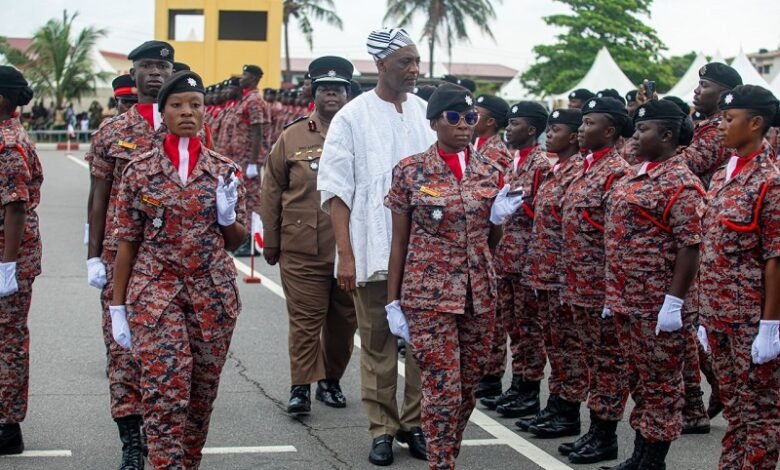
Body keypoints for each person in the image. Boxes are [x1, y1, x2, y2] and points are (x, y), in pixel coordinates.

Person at [111, 70, 247, 470]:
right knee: (164, 393)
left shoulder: (225, 170)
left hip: (212, 297)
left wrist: (226, 216)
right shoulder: (138, 171)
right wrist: (117, 307)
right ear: (162, 112)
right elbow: (127, 241)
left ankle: (187, 463)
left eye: (196, 105)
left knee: (201, 395)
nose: (188, 112)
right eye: (177, 105)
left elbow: (235, 240)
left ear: (205, 112)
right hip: (156, 296)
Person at [385, 82, 521, 470]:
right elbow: (399, 243)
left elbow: (491, 241)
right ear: (434, 122)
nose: (464, 125)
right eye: (454, 117)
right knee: (442, 388)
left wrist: (498, 219)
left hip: (478, 294)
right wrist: (393, 301)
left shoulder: (492, 170)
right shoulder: (410, 171)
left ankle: (448, 453)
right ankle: (441, 463)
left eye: (470, 118)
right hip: (428, 297)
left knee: (465, 390)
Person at [317, 27, 432, 466]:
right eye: (405, 62)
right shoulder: (352, 116)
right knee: (378, 343)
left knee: (422, 344)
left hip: (424, 255)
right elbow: (337, 192)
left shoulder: (425, 112)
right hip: (372, 249)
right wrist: (346, 254)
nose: (414, 69)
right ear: (380, 65)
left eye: (416, 61)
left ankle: (414, 424)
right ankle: (382, 429)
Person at [86, 40, 175, 470]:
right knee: (122, 353)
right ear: (133, 72)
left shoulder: (186, 122)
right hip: (119, 255)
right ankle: (132, 444)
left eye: (163, 65)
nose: (155, 72)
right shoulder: (111, 132)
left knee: (167, 356)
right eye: (147, 66)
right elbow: (97, 197)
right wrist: (91, 255)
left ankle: (162, 441)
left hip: (173, 259)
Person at [604, 99, 703, 469]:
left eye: (642, 129)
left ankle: (653, 460)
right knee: (640, 382)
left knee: (661, 386)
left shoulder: (681, 182)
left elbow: (690, 246)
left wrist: (673, 302)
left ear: (665, 135)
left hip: (656, 303)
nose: (634, 136)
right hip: (628, 300)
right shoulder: (636, 173)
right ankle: (641, 456)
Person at [261, 56, 357, 415]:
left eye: (338, 88)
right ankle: (300, 386)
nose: (331, 93)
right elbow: (272, 189)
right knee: (305, 319)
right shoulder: (293, 135)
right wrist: (271, 239)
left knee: (344, 322)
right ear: (313, 92)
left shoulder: (360, 133)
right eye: (324, 87)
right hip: (301, 247)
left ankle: (330, 382)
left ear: (349, 93)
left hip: (349, 248)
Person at [699, 84, 780, 470]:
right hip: (718, 314)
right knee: (735, 408)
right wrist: (703, 312)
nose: (721, 127)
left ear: (756, 123)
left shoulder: (771, 180)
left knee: (760, 413)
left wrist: (770, 326)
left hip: (751, 317)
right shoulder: (722, 175)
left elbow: (776, 259)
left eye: (729, 120)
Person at [559, 96, 632, 464]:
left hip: (602, 287)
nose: (582, 129)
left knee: (608, 362)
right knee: (592, 361)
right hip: (579, 285)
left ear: (611, 130)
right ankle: (594, 430)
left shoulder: (617, 173)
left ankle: (605, 434)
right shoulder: (586, 169)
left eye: (591, 123)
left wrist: (612, 289)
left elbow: (616, 238)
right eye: (582, 122)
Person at [481, 102, 551, 420]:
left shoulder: (540, 165)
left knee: (528, 327)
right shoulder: (516, 162)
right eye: (508, 123)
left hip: (526, 259)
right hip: (507, 257)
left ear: (532, 130)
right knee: (512, 326)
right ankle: (518, 385)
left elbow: (539, 217)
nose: (509, 128)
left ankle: (529, 389)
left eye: (516, 123)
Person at [520, 109, 587, 439]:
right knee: (555, 344)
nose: (549, 134)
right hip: (544, 273)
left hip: (563, 276)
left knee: (569, 346)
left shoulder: (577, 171)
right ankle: (557, 406)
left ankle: (568, 411)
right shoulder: (556, 169)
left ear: (573, 137)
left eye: (556, 129)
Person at [0, 66, 41, 455]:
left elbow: (15, 207)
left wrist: (7, 266)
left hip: (9, 255)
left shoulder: (8, 144)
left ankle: (8, 427)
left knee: (8, 343)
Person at [226, 65, 267, 256]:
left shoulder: (254, 101)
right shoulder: (245, 99)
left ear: (255, 78)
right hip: (239, 159)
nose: (241, 78)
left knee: (251, 200)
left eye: (245, 75)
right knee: (242, 198)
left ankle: (253, 239)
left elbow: (257, 131)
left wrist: (252, 162)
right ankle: (246, 237)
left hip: (249, 160)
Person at [472, 94, 512, 170]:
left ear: (490, 121)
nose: (470, 116)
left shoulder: (497, 153)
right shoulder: (475, 144)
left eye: (475, 113)